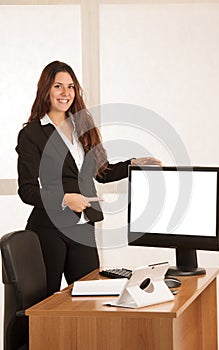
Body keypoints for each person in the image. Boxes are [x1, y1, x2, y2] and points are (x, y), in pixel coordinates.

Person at [16, 60, 162, 297]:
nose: (66, 93)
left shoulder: (82, 126)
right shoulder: (32, 133)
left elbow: (101, 173)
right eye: (58, 86)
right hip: (49, 230)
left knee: (90, 297)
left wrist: (132, 165)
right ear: (46, 90)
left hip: (84, 228)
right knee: (44, 303)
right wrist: (65, 199)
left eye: (71, 87)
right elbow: (27, 190)